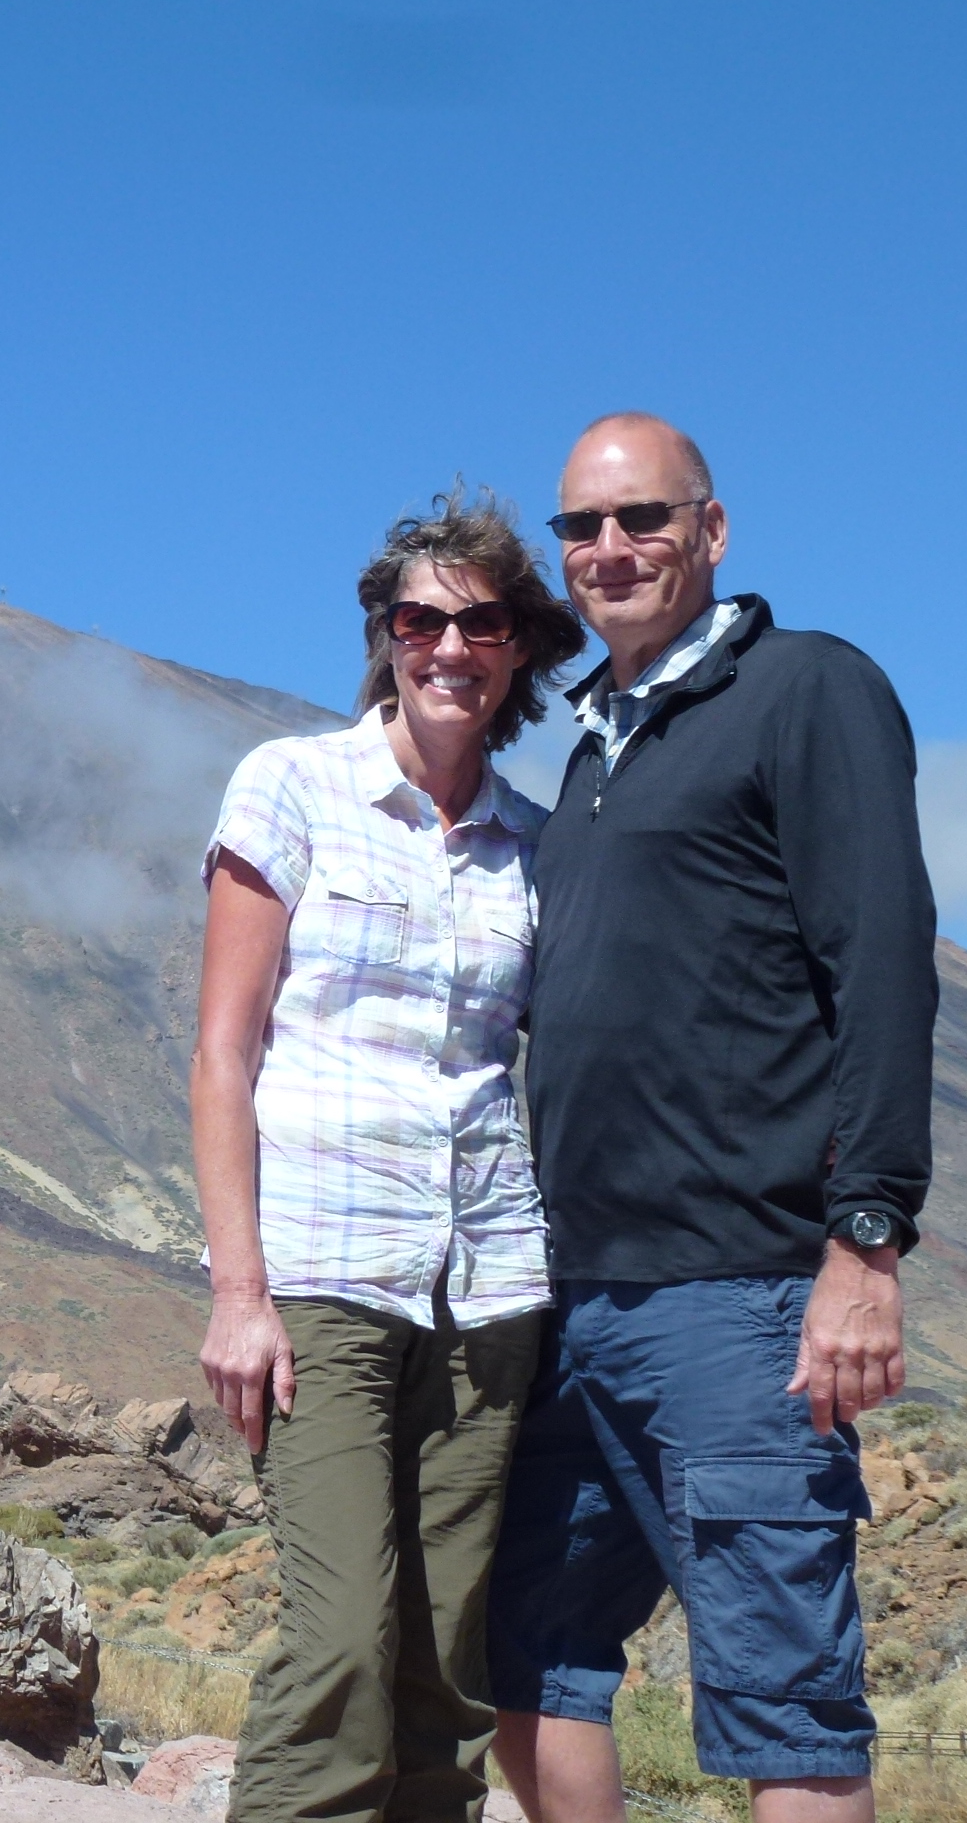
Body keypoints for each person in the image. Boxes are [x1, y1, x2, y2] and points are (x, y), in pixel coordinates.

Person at [488, 414, 935, 1823]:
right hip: (577, 1303)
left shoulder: (805, 690)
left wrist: (864, 1244)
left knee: (780, 1698)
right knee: (526, 1659)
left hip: (741, 1296)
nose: (610, 551)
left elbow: (880, 962)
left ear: (713, 529)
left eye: (643, 520)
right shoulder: (592, 752)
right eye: (582, 528)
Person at [192, 491, 585, 1823]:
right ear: (384, 635)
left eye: (481, 623)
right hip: (321, 1283)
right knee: (343, 1643)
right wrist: (238, 1293)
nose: (450, 648)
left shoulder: (538, 846)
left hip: (489, 1290)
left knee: (445, 1673)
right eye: (421, 620)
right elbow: (223, 1055)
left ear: (519, 646)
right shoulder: (290, 787)